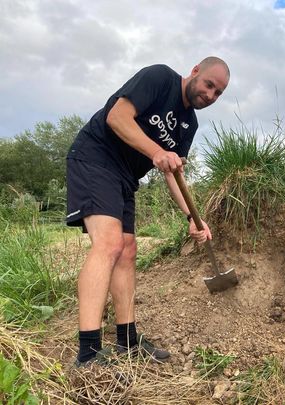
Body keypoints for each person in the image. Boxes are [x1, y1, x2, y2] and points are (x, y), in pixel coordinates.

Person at [66, 57, 230, 366]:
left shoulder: (189, 124)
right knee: (110, 244)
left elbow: (173, 173)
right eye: (209, 84)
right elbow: (117, 117)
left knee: (127, 251)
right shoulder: (160, 78)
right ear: (195, 71)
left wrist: (193, 218)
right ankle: (88, 354)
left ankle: (127, 341)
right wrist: (156, 151)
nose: (211, 95)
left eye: (218, 93)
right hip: (95, 157)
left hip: (126, 177)